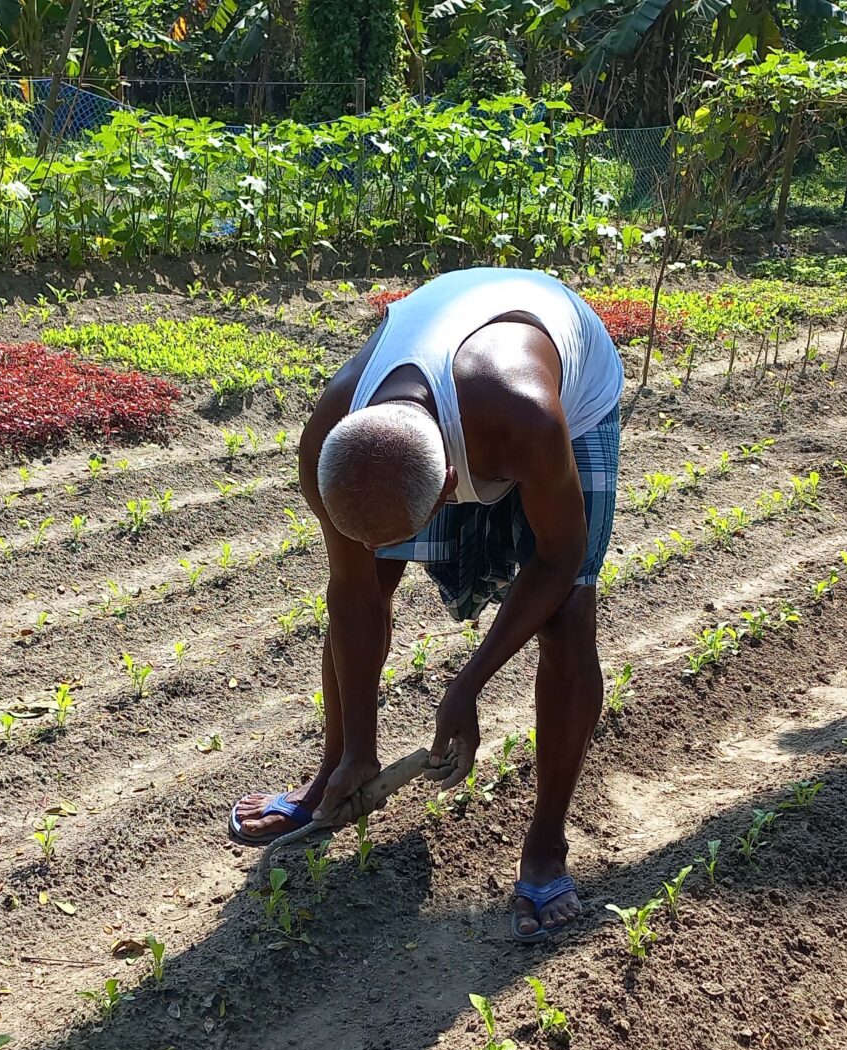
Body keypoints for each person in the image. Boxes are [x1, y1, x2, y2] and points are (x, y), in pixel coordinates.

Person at [228, 267, 624, 942]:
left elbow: (557, 559)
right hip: (444, 388)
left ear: (448, 487)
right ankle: (332, 770)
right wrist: (359, 746)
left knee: (566, 618)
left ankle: (546, 844)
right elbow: (353, 598)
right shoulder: (332, 434)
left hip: (563, 387)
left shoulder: (527, 413)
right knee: (367, 580)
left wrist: (466, 687)